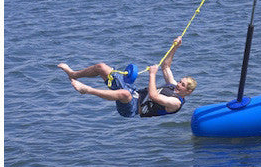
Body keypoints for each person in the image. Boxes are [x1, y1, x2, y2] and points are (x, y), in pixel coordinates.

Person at [58, 37, 197, 117]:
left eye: (182, 85)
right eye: (180, 81)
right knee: (101, 67)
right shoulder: (172, 85)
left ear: (188, 92)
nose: (178, 84)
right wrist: (175, 47)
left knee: (124, 94)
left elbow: (154, 96)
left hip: (133, 108)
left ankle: (86, 90)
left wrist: (152, 74)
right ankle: (73, 74)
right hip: (134, 92)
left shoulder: (175, 103)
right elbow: (166, 66)